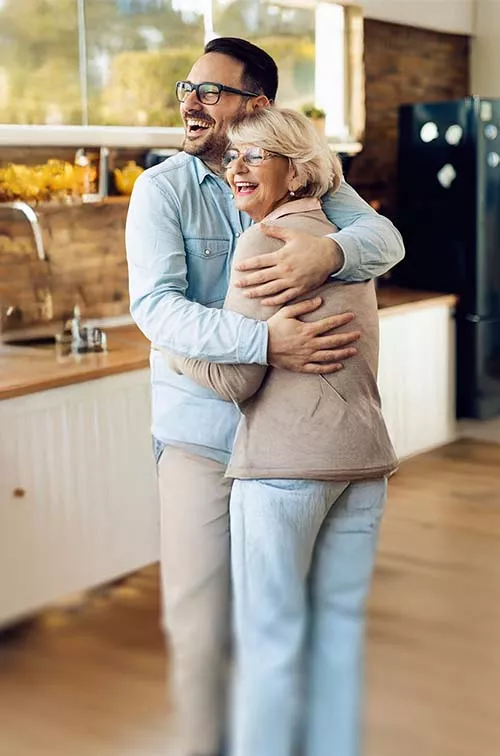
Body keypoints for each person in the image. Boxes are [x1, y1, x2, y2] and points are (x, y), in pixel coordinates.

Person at [126, 37, 404, 756]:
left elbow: (386, 238)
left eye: (210, 91)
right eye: (186, 87)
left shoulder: (311, 187)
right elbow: (155, 307)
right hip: (203, 433)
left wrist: (331, 250)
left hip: (285, 447)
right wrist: (261, 343)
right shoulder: (163, 189)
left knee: (286, 627)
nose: (190, 102)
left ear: (258, 106)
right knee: (202, 626)